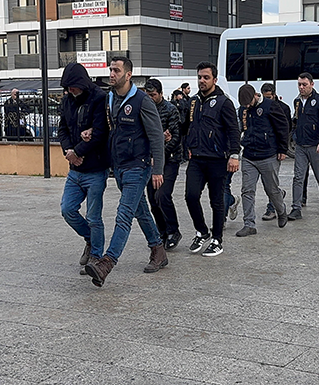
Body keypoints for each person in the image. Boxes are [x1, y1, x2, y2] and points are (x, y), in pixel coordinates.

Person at [84, 57, 167, 287]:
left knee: (124, 214)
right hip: (119, 167)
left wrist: (157, 169)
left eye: (116, 70)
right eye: (111, 69)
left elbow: (157, 136)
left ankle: (106, 263)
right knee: (140, 211)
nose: (112, 74)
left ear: (128, 75)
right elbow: (110, 129)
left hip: (138, 167)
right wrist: (92, 131)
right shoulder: (110, 98)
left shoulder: (142, 101)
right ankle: (158, 249)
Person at [57, 62, 110, 275]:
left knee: (94, 216)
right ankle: (90, 239)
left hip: (96, 168)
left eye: (73, 86)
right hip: (75, 169)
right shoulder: (67, 101)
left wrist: (78, 151)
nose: (70, 91)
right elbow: (62, 129)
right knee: (67, 209)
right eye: (67, 87)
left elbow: (99, 133)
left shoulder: (99, 98)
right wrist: (69, 150)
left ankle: (96, 256)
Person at [185, 61, 241, 257]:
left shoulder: (224, 102)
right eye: (200, 77)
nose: (202, 80)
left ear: (215, 80)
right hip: (197, 159)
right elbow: (187, 126)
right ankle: (202, 231)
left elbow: (234, 130)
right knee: (190, 196)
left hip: (218, 159)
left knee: (216, 201)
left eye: (206, 77)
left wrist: (234, 155)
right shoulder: (193, 102)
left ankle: (217, 239)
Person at [235, 84, 290, 236]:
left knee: (272, 190)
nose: (247, 106)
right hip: (249, 156)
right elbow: (238, 128)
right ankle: (249, 224)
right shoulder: (242, 110)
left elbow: (283, 127)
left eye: (248, 103)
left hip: (268, 155)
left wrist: (282, 149)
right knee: (247, 190)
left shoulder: (270, 105)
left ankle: (281, 210)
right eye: (244, 104)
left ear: (255, 95)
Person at [144, 79, 184, 250]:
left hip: (170, 159)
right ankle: (162, 231)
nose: (151, 98)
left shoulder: (170, 110)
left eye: (153, 95)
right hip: (150, 159)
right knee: (152, 198)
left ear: (160, 93)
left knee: (163, 195)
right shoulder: (144, 109)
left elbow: (175, 137)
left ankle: (173, 230)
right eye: (148, 95)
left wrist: (160, 153)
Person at [288, 72, 319, 220]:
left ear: (312, 84)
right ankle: (296, 208)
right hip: (301, 145)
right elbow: (295, 120)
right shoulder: (297, 101)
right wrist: (294, 135)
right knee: (298, 177)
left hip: (316, 145)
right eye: (299, 85)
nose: (301, 87)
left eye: (304, 85)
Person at [260, 83, 292, 221]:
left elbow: (286, 130)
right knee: (269, 182)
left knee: (272, 182)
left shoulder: (283, 108)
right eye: (264, 97)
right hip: (265, 149)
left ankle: (272, 207)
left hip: (276, 149)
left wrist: (282, 149)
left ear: (274, 94)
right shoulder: (259, 107)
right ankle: (279, 194)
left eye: (269, 97)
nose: (267, 99)